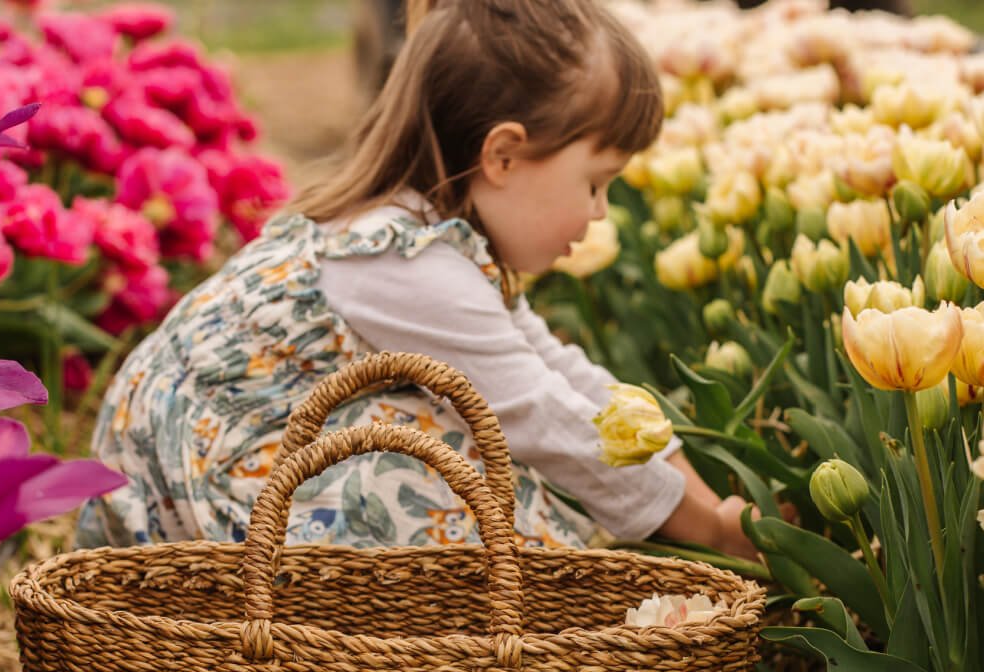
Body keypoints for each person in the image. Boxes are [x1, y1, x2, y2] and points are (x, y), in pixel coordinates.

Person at [77, 0, 754, 556]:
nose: (600, 211)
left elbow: (561, 375)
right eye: (596, 182)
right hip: (188, 490)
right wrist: (711, 531)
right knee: (454, 468)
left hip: (243, 462)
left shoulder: (432, 241)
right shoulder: (403, 264)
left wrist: (697, 494)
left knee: (462, 444)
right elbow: (542, 419)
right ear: (505, 155)